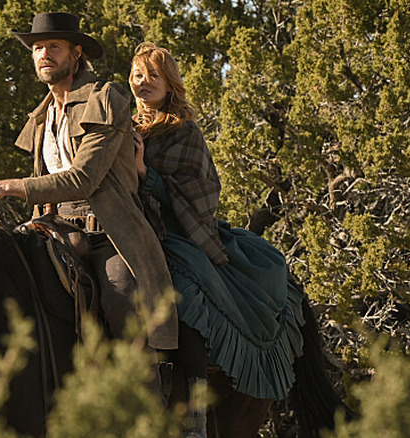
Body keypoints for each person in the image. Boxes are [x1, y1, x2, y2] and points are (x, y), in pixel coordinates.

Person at [0, 12, 179, 389]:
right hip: (51, 227)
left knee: (121, 304)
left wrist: (9, 186)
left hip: (109, 230)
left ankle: (149, 407)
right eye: (37, 48)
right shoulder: (42, 115)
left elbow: (83, 179)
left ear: (77, 53)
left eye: (54, 46)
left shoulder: (107, 97)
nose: (44, 54)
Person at [129, 43, 306, 437]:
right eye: (138, 76)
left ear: (169, 82)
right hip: (134, 230)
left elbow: (201, 191)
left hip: (179, 234)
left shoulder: (184, 131)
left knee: (186, 302)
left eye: (153, 76)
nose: (144, 83)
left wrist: (145, 173)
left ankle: (193, 420)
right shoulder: (129, 128)